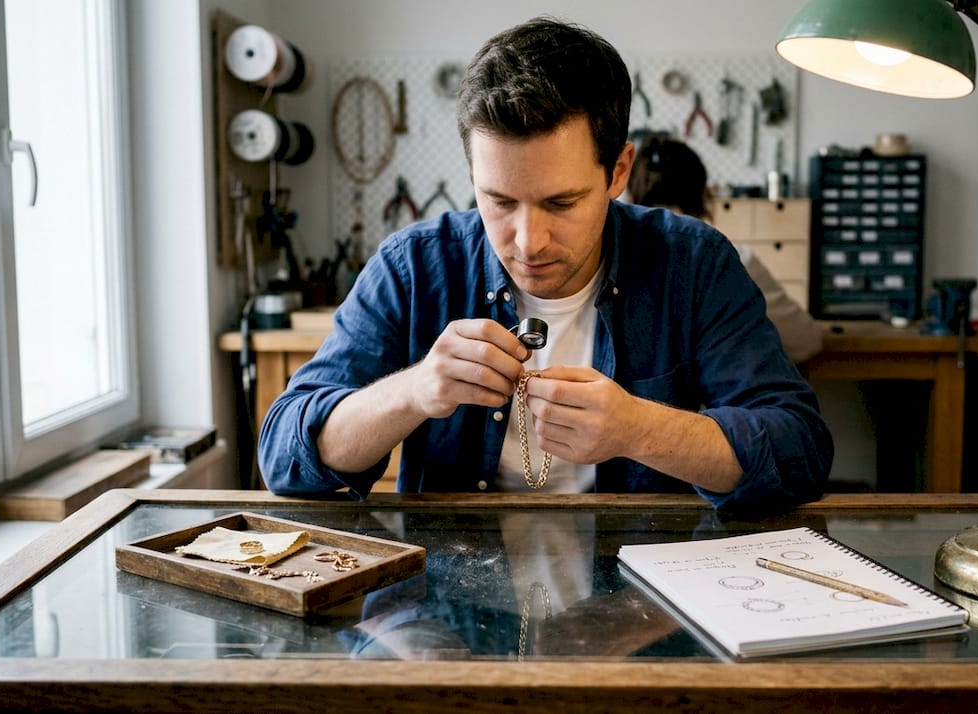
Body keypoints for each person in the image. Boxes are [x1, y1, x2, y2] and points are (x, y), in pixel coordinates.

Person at [258, 16, 832, 515]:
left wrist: (639, 429)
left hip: (640, 591)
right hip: (454, 597)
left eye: (561, 203)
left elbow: (799, 450)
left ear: (618, 171)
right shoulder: (412, 267)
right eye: (499, 201)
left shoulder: (694, 264)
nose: (528, 242)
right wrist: (414, 391)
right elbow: (283, 456)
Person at [627, 135, 824, 363]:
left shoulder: (613, 264)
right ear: (703, 195)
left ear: (630, 196)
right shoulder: (730, 260)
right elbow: (805, 340)